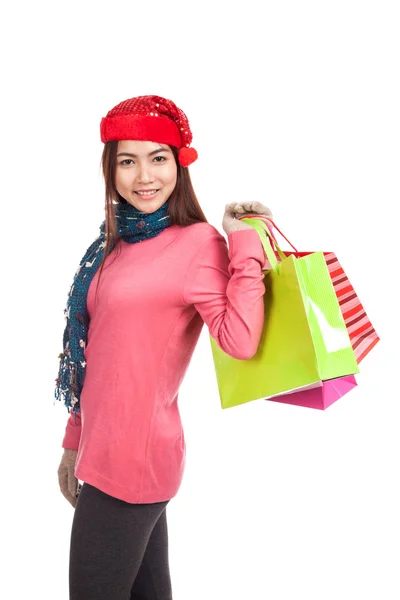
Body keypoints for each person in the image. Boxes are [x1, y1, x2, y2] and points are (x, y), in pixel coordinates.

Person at [56, 94, 272, 600]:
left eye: (158, 158)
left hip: (136, 461)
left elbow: (239, 340)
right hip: (101, 453)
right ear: (110, 169)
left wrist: (243, 243)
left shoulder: (198, 243)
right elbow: (96, 354)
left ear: (180, 163)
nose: (143, 176)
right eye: (127, 161)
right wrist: (73, 442)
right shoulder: (111, 244)